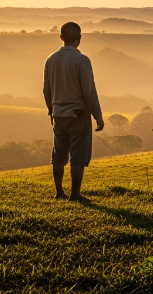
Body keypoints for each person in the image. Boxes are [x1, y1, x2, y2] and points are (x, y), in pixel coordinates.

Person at [43, 22, 104, 201]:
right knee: (78, 156)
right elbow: (89, 91)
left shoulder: (50, 59)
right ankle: (75, 195)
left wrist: (51, 110)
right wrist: (97, 116)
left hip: (58, 114)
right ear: (80, 38)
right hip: (78, 115)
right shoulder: (82, 60)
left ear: (61, 37)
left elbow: (46, 90)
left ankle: (59, 192)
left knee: (59, 154)